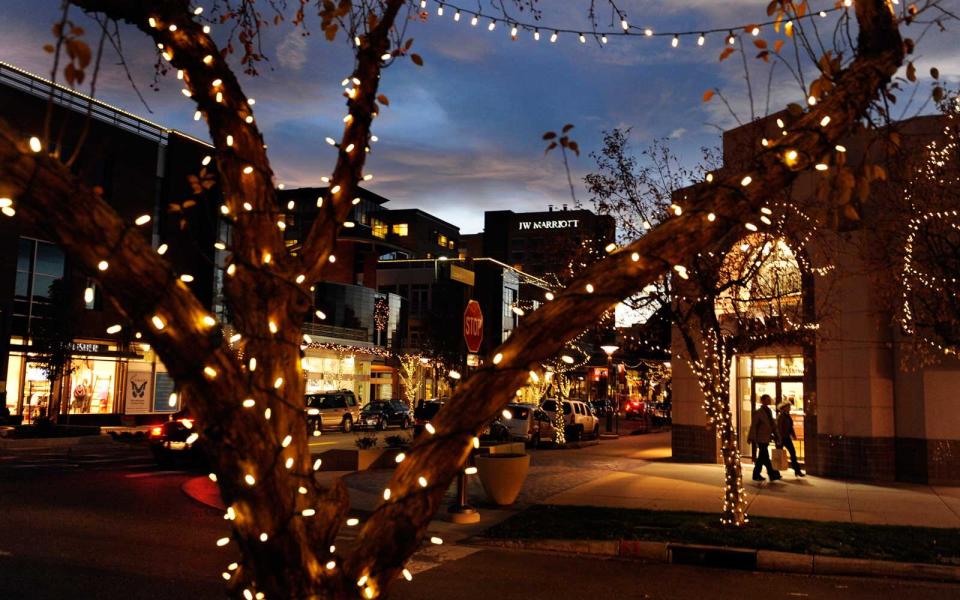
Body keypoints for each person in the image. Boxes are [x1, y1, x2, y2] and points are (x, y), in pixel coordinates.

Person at [747, 394, 781, 482]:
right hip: (761, 438)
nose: (769, 401)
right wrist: (751, 437)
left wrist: (776, 435)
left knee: (763, 457)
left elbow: (772, 424)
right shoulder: (759, 412)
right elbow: (753, 425)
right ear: (762, 401)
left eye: (769, 399)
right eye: (767, 399)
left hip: (766, 437)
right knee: (764, 456)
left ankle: (759, 474)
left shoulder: (769, 411)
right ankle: (772, 474)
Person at [777, 402, 804, 477]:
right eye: (788, 407)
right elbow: (779, 428)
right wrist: (779, 438)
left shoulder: (787, 416)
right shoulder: (781, 416)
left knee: (792, 453)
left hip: (786, 437)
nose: (790, 408)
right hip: (782, 438)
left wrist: (793, 435)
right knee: (778, 455)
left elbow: (790, 427)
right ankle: (775, 472)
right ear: (784, 408)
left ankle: (797, 471)